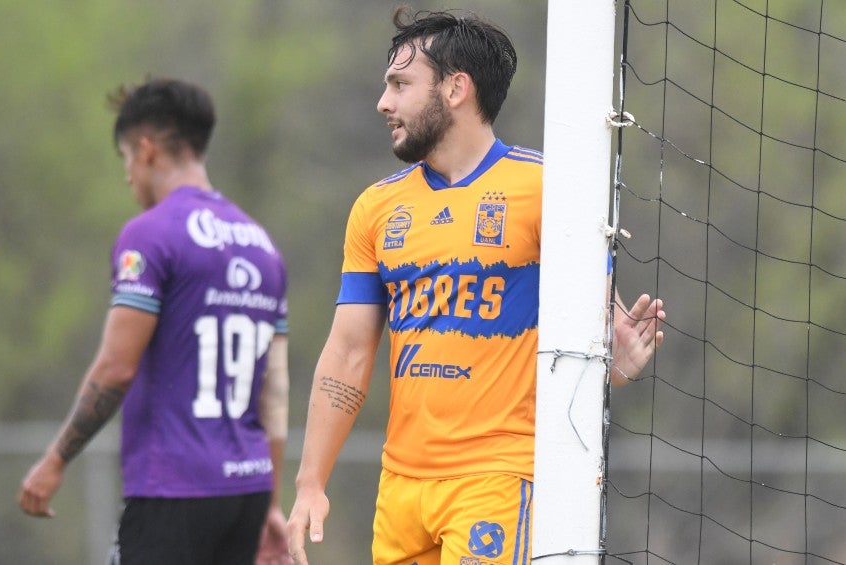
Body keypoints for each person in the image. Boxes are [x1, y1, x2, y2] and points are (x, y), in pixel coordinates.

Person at [285, 7, 665, 565]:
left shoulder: (548, 189)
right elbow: (346, 351)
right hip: (401, 489)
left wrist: (617, 366)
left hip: (496, 478)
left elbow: (593, 332)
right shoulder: (376, 207)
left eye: (399, 85)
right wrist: (310, 484)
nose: (383, 103)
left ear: (457, 88)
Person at [17, 77, 292, 565]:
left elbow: (116, 368)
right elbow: (275, 392)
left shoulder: (150, 235)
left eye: (125, 159)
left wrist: (55, 460)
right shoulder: (263, 246)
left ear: (145, 150)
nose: (127, 177)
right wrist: (270, 502)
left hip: (175, 488)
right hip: (248, 488)